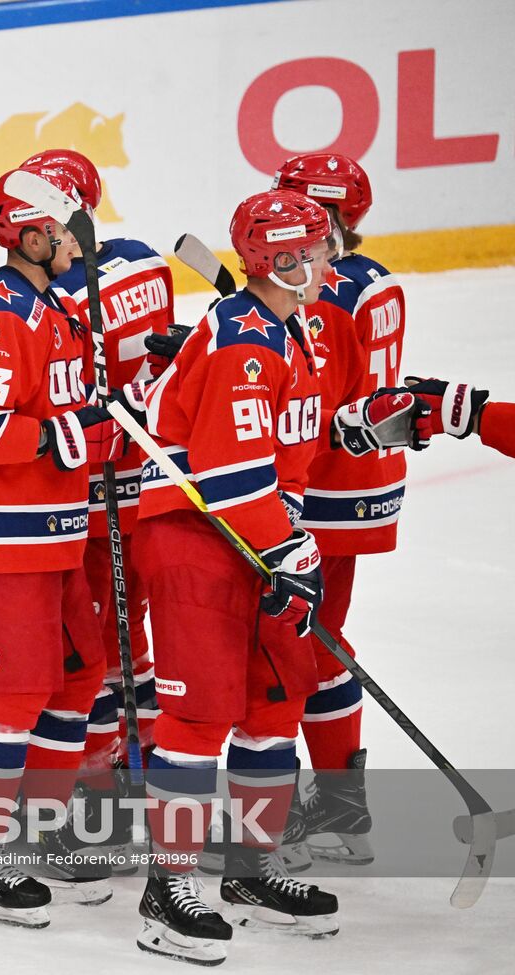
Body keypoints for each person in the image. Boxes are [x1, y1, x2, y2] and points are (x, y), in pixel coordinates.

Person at [132, 189, 422, 963]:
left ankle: (250, 867)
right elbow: (229, 474)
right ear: (284, 261)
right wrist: (291, 552)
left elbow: (282, 437)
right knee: (197, 715)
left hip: (257, 538)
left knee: (273, 700)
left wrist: (353, 424)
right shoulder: (246, 344)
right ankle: (167, 888)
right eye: (318, 249)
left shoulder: (284, 331)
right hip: (201, 538)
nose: (333, 259)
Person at [0, 165, 125, 927]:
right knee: (9, 699)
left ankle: (40, 831)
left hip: (54, 533)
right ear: (31, 233)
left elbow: (64, 409)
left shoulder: (55, 307)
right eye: (65, 226)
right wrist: (77, 432)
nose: (80, 237)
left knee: (79, 675)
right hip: (0, 541)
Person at [34, 147, 171, 864]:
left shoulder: (57, 300)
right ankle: (141, 773)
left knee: (87, 653)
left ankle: (94, 796)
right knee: (132, 639)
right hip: (145, 493)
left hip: (85, 500)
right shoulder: (147, 263)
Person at [272, 154, 407, 863]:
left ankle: (319, 803)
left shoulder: (322, 289)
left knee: (302, 642)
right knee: (320, 634)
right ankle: (339, 799)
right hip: (367, 482)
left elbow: (307, 401)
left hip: (320, 484)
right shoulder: (377, 279)